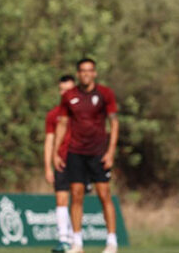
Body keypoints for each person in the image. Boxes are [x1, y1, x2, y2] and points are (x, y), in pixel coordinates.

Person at [54, 58, 120, 253]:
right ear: (78, 74)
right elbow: (63, 124)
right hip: (75, 152)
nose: (86, 74)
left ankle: (111, 242)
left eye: (89, 70)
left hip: (98, 153)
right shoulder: (68, 96)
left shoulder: (105, 94)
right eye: (82, 71)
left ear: (95, 73)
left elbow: (114, 123)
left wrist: (110, 151)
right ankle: (77, 243)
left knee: (104, 195)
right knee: (76, 196)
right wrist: (57, 152)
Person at [44, 75, 76, 252]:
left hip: (80, 160)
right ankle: (63, 239)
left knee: (77, 199)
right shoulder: (53, 115)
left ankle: (76, 241)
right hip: (60, 161)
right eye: (63, 90)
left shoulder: (82, 113)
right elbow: (49, 141)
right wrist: (47, 166)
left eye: (69, 90)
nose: (65, 93)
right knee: (61, 198)